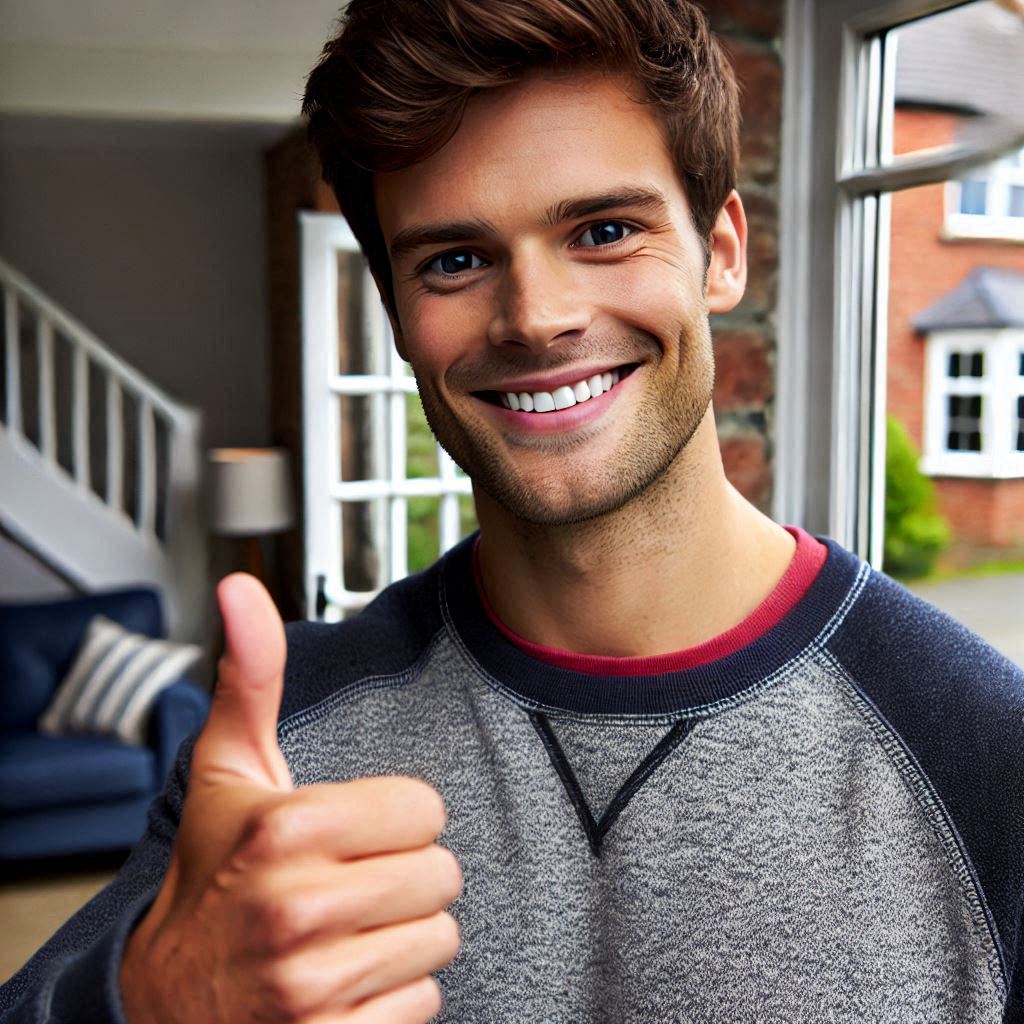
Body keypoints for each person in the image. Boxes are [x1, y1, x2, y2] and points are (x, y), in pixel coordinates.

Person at [2, 0, 1023, 1021]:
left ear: (720, 252)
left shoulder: (985, 753)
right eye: (453, 259)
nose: (536, 318)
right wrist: (144, 998)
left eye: (605, 229)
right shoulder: (276, 743)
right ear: (399, 313)